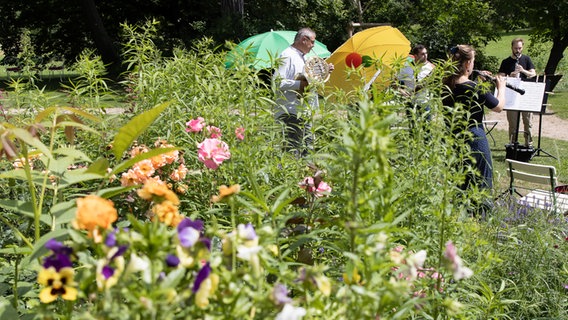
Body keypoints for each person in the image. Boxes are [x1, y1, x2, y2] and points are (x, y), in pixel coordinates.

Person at [442, 45, 505, 194]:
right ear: (467, 63)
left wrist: (479, 81)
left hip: (453, 138)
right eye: (473, 61)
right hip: (475, 139)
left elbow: (464, 88)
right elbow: (498, 106)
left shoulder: (445, 85)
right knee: (481, 184)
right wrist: (501, 87)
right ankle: (481, 216)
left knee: (460, 184)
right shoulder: (475, 87)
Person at [272, 28, 332, 156]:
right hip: (291, 112)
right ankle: (291, 175)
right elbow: (277, 82)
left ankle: (306, 175)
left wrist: (324, 70)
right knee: (293, 151)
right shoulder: (287, 55)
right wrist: (300, 84)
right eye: (312, 42)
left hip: (303, 111)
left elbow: (309, 79)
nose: (313, 45)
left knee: (308, 149)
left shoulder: (302, 57)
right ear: (304, 40)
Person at [498, 38, 536, 146]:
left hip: (525, 95)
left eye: (519, 48)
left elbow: (533, 74)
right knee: (513, 123)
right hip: (511, 95)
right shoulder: (506, 62)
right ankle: (512, 143)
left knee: (528, 121)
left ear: (522, 47)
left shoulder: (526, 59)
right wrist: (510, 75)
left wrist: (523, 70)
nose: (518, 50)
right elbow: (500, 76)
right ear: (512, 48)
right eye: (515, 48)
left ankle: (529, 144)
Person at [396, 44, 435, 124]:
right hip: (410, 103)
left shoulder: (430, 68)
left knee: (427, 130)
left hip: (425, 103)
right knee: (413, 128)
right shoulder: (406, 68)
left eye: (426, 53)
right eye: (422, 54)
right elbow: (393, 81)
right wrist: (401, 90)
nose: (425, 56)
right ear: (415, 56)